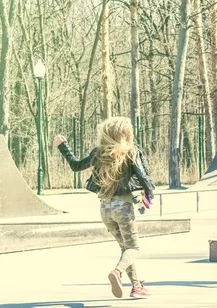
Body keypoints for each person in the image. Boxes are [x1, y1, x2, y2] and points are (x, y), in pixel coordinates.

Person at [54, 117, 156, 298]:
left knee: (125, 248)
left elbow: (76, 166)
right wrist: (149, 195)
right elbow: (143, 176)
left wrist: (63, 147)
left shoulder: (98, 153)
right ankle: (117, 272)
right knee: (134, 248)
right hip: (123, 208)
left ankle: (137, 287)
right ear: (126, 135)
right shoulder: (131, 152)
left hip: (105, 209)